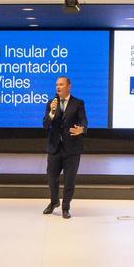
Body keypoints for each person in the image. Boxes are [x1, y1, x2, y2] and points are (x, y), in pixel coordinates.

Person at [42, 76, 87, 219]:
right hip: (54, 147)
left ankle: (66, 207)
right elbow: (45, 124)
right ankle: (54, 201)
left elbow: (83, 121)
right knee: (52, 177)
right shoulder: (51, 103)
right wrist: (51, 112)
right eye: (56, 85)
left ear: (69, 86)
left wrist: (82, 129)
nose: (58, 87)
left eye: (61, 84)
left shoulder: (78, 103)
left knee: (69, 180)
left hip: (72, 149)